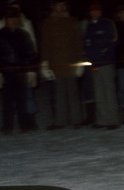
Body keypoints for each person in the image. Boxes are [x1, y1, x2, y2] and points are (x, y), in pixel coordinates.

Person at [0, 7, 37, 134]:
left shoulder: (24, 34)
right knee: (7, 101)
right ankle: (7, 126)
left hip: (20, 72)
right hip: (6, 72)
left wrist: (31, 71)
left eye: (14, 19)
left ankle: (24, 125)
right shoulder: (0, 35)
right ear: (6, 20)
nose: (12, 21)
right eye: (10, 19)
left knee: (22, 100)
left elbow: (30, 53)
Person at [40, 0, 84, 130]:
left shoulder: (72, 21)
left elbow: (78, 42)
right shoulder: (48, 23)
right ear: (53, 7)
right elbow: (45, 44)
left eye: (63, 5)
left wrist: (80, 61)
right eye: (59, 5)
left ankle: (77, 120)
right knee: (59, 94)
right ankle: (60, 121)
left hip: (71, 62)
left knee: (73, 92)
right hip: (56, 63)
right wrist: (45, 62)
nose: (61, 7)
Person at [82, 3, 120, 129]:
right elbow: (86, 43)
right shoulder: (89, 25)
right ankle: (102, 120)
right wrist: (89, 57)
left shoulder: (108, 23)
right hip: (95, 64)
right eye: (93, 11)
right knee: (98, 92)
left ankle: (113, 120)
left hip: (107, 63)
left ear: (101, 12)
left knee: (109, 92)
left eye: (97, 11)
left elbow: (114, 40)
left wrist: (104, 51)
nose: (95, 13)